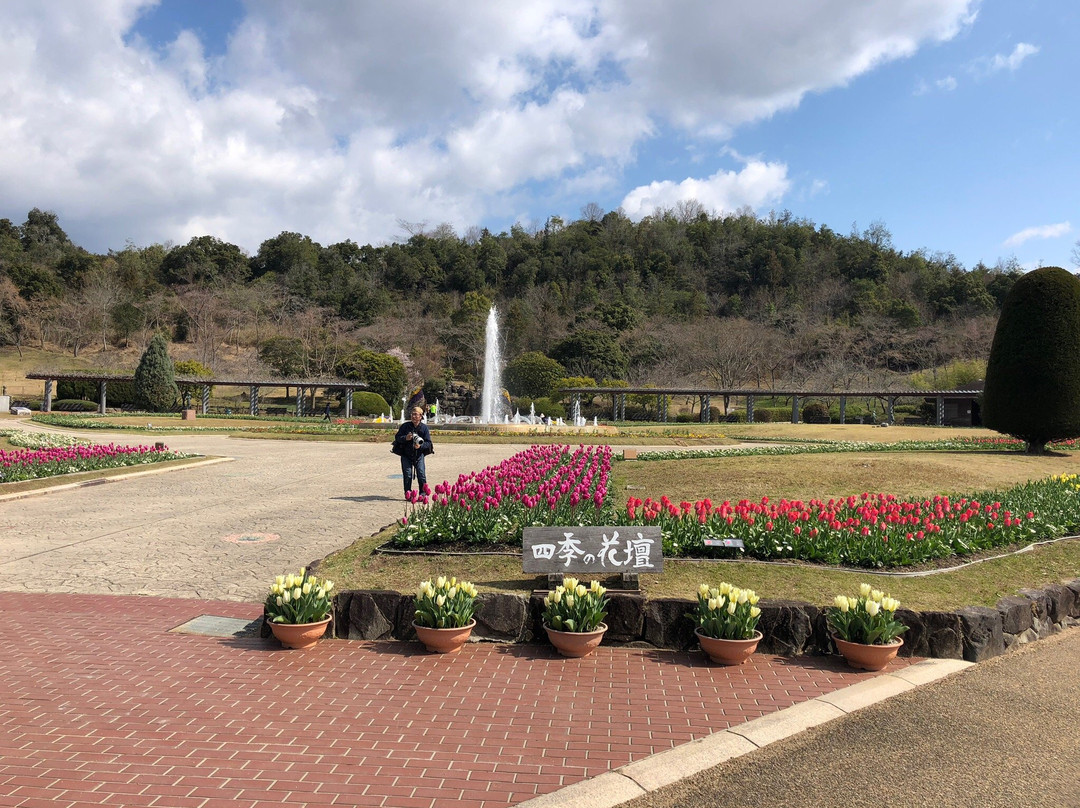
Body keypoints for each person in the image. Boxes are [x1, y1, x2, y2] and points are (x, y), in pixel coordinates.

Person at [392, 406, 433, 498]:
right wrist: (405, 438)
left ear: (421, 416)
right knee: (407, 475)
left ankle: (423, 493)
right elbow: (397, 438)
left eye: (416, 414)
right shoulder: (405, 426)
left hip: (418, 455)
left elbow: (428, 443)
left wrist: (420, 446)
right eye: (412, 414)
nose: (413, 416)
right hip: (406, 454)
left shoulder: (424, 428)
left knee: (421, 474)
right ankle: (408, 493)